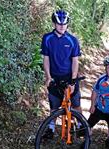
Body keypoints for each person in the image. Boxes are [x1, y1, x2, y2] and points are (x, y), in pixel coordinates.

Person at [40, 9, 82, 138]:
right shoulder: (47, 38)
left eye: (64, 24)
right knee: (54, 105)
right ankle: (51, 129)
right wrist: (48, 77)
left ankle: (81, 126)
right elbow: (46, 58)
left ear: (67, 24)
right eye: (59, 24)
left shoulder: (72, 40)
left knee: (76, 104)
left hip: (69, 76)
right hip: (54, 76)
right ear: (54, 24)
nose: (62, 26)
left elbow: (75, 61)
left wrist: (74, 80)